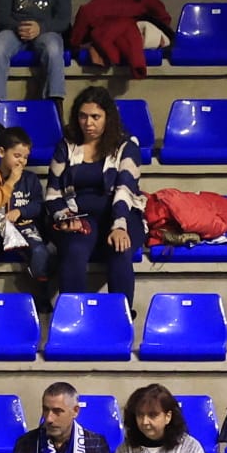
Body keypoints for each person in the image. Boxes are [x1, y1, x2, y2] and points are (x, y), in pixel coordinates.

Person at [46, 87, 146, 309]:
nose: (88, 123)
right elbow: (52, 193)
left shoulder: (127, 145)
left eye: (95, 117)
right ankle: (72, 318)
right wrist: (64, 217)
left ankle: (121, 317)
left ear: (108, 118)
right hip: (80, 217)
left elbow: (125, 189)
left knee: (120, 249)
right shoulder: (66, 145)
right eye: (83, 116)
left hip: (120, 214)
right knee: (74, 250)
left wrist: (119, 226)